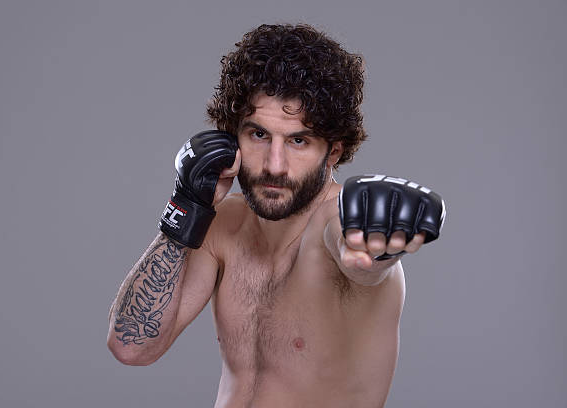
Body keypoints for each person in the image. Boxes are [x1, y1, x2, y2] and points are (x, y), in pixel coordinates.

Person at [107, 23, 445, 407]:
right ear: (232, 136)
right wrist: (186, 207)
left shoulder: (336, 222)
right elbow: (132, 347)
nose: (274, 165)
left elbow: (356, 253)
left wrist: (373, 242)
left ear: (333, 152)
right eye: (259, 135)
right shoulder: (222, 224)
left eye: (298, 140)